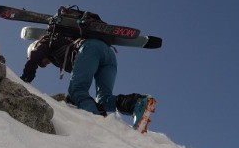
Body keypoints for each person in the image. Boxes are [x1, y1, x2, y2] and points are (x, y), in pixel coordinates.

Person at [20, 31, 152, 125]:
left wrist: (25, 78)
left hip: (90, 48)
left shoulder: (46, 40)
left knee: (76, 90)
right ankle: (137, 103)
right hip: (108, 55)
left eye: (42, 63)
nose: (44, 64)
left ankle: (98, 123)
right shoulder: (59, 52)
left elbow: (34, 56)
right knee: (104, 100)